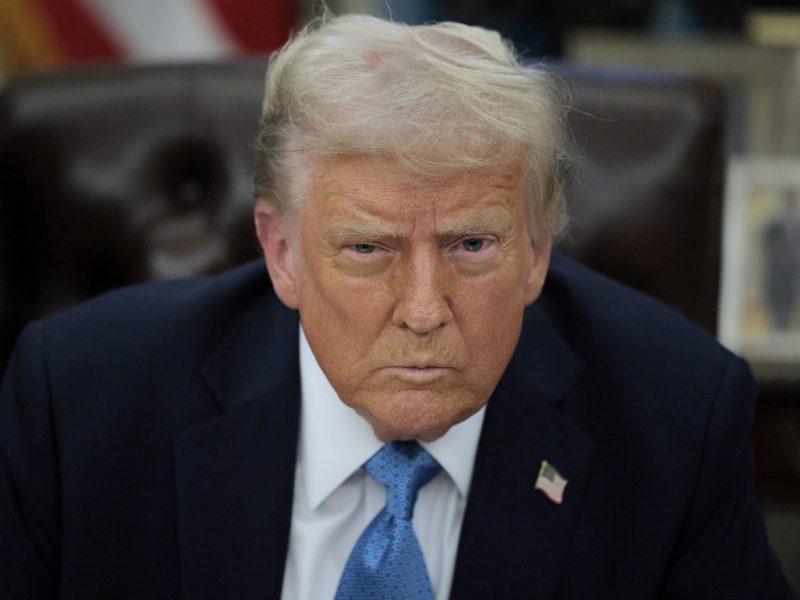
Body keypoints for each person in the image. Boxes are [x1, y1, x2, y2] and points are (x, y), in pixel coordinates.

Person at [0, 13, 795, 600]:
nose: (423, 310)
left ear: (538, 252)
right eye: (368, 250)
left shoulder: (676, 418)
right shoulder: (82, 403)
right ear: (282, 255)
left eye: (472, 246)